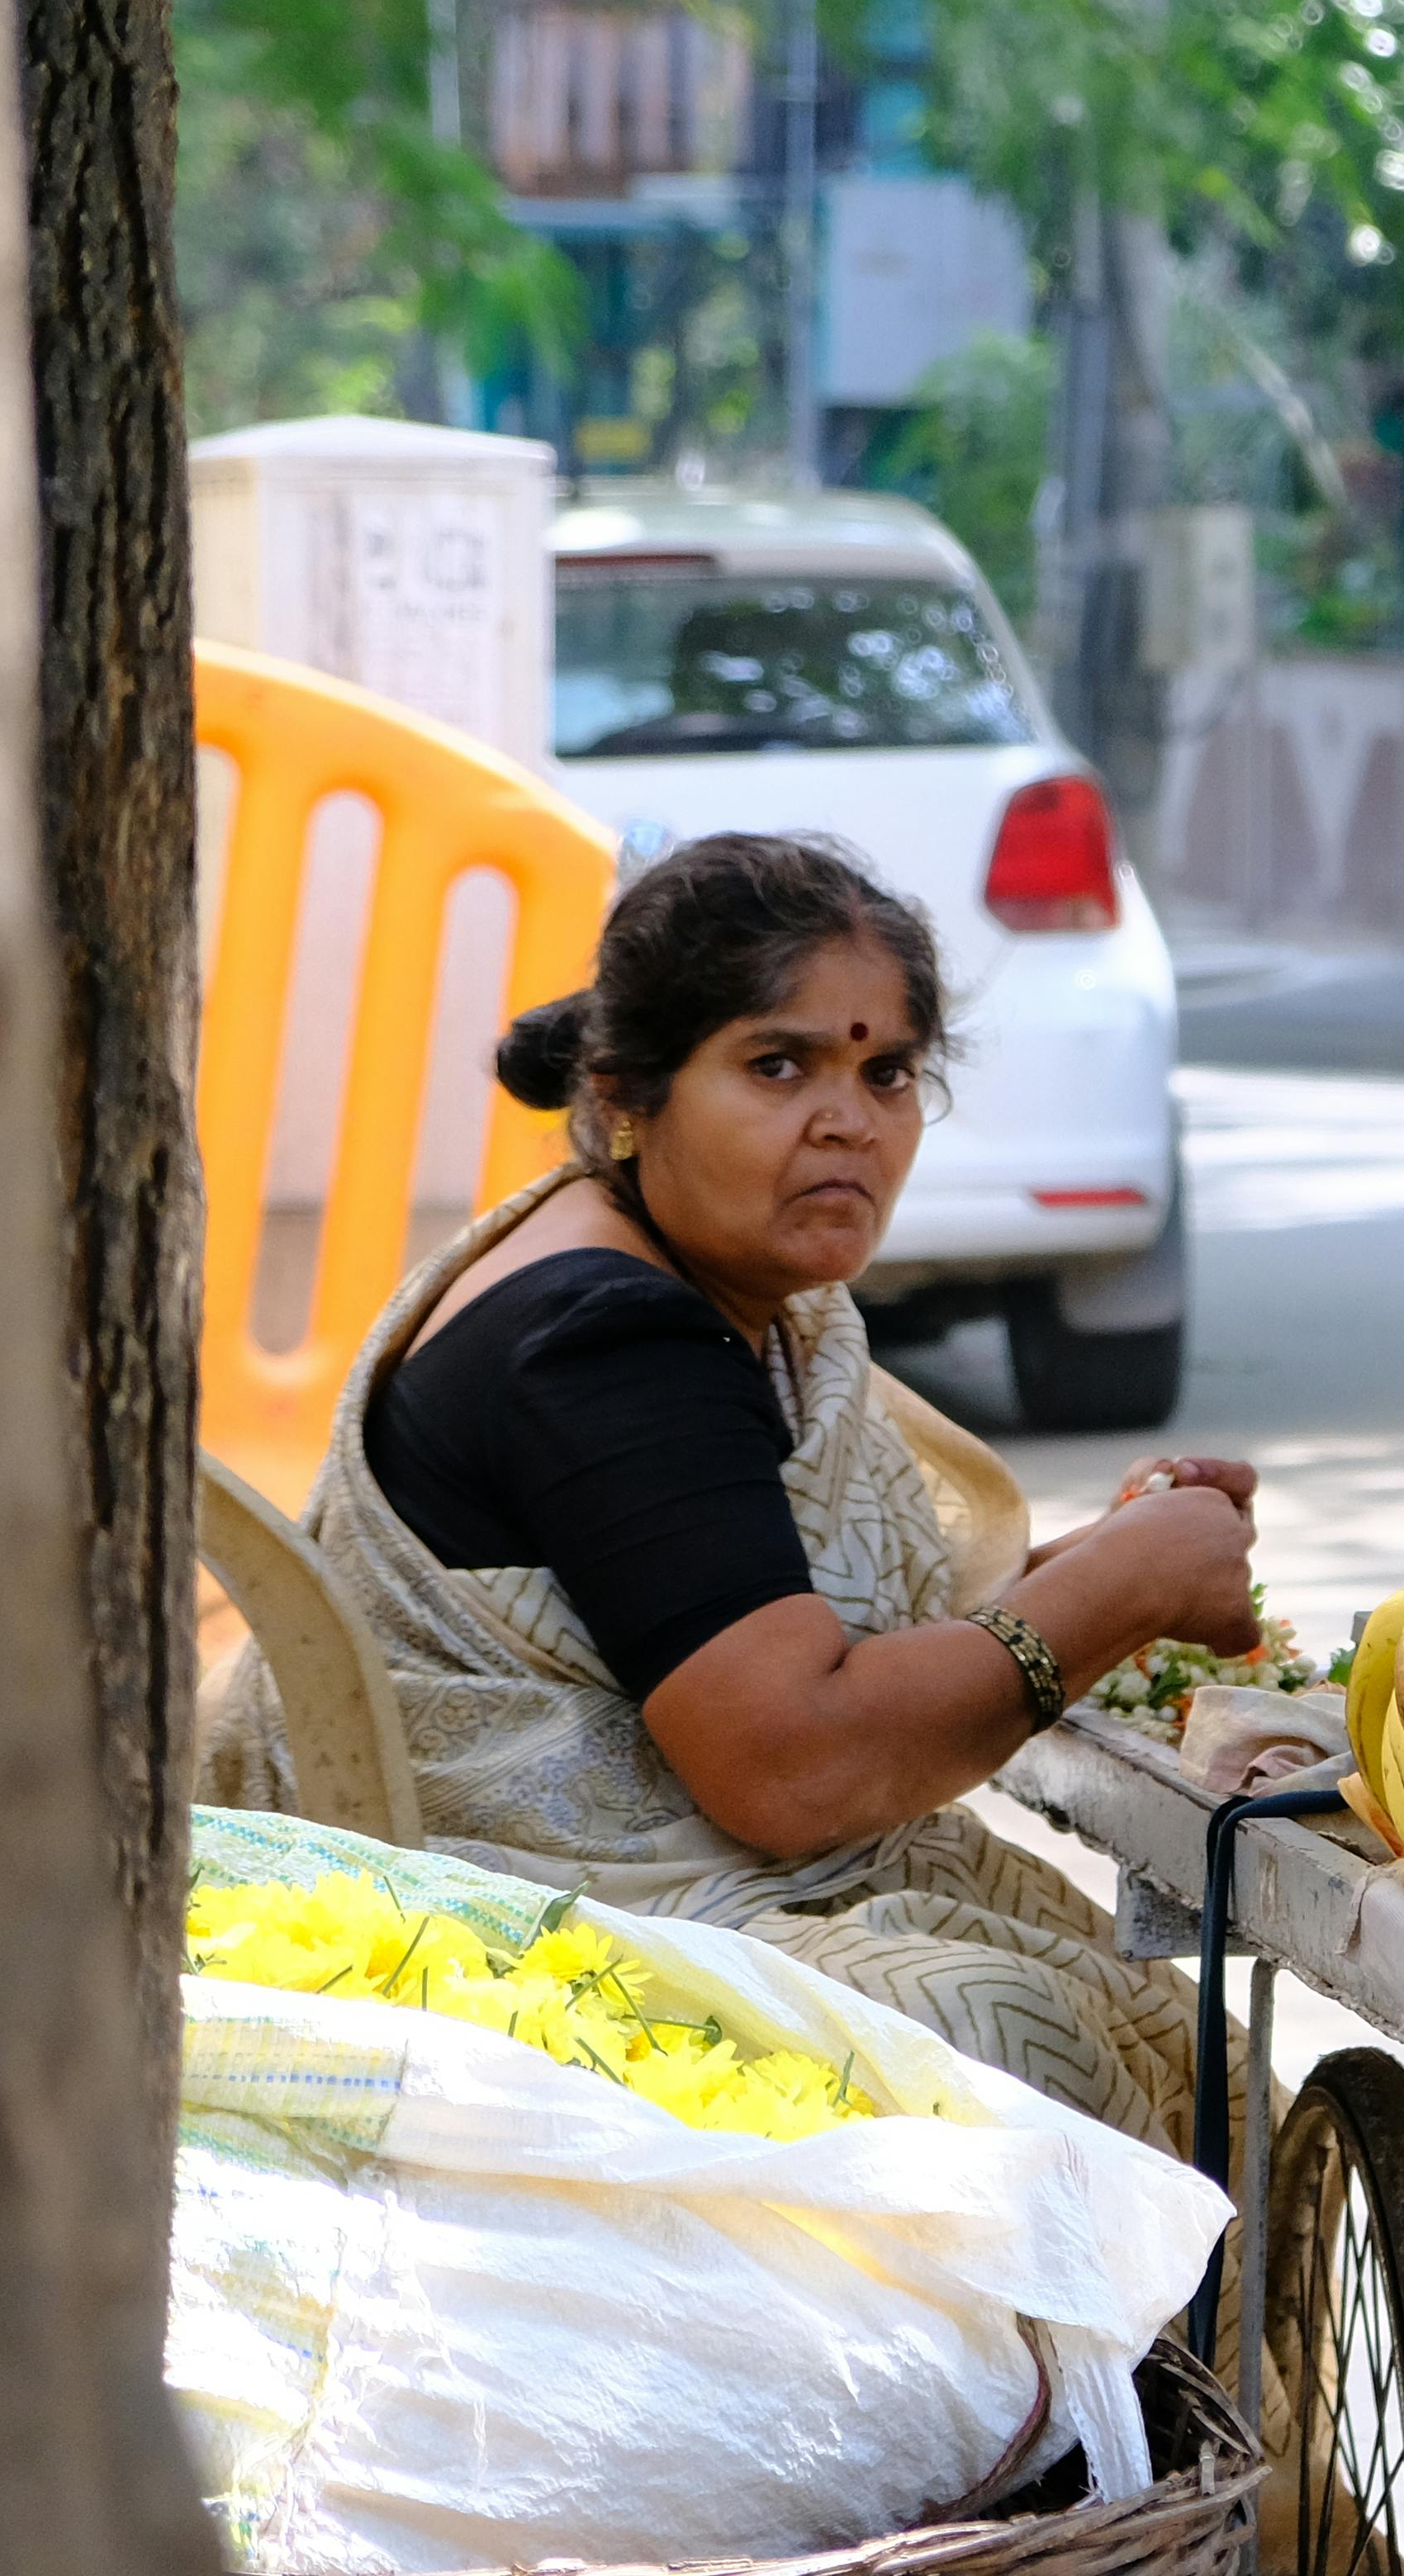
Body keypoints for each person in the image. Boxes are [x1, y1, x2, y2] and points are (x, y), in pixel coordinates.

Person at [202, 831, 1264, 2143]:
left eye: (888, 1073)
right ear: (628, 1098)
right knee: (990, 2036)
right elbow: (792, 1768)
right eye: (779, 1065)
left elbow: (767, 1615)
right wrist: (1128, 1581)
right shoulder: (604, 1337)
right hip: (518, 1932)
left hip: (629, 1893)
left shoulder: (710, 1296)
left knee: (1107, 2002)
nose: (849, 1120)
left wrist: (1116, 1564)